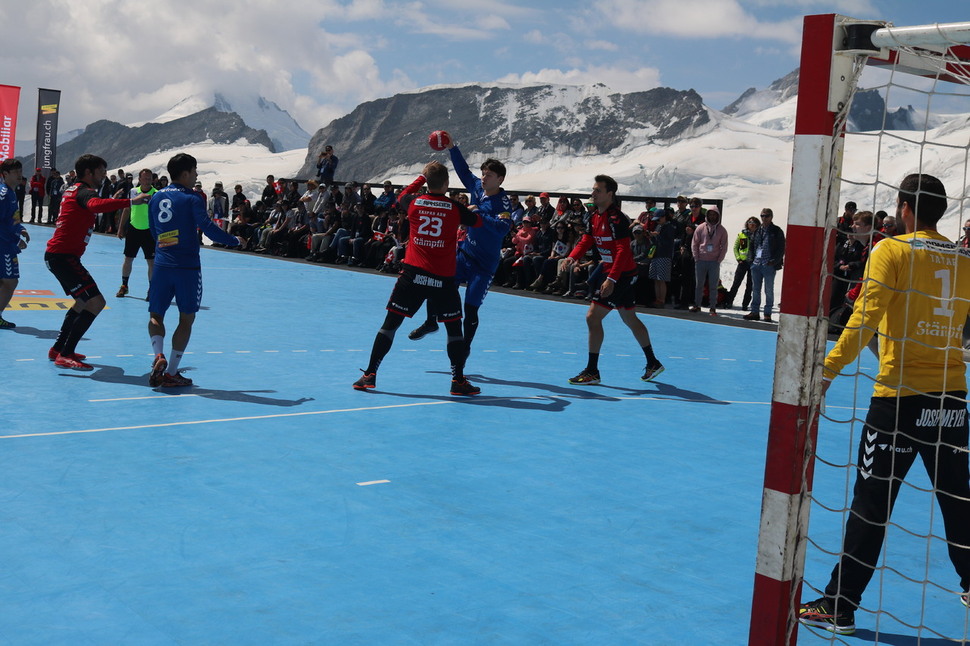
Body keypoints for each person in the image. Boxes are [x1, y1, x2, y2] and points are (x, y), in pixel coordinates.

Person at [798, 173, 970, 635]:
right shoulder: (963, 258)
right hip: (953, 401)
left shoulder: (890, 250)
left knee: (870, 506)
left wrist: (827, 371)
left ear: (905, 208)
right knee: (959, 503)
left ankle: (840, 605)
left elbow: (864, 319)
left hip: (899, 402)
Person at [352, 161, 483, 396]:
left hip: (412, 275)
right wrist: (473, 211)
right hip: (442, 278)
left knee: (390, 325)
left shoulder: (413, 203)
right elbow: (478, 222)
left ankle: (369, 374)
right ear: (446, 184)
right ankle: (458, 380)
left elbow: (402, 195)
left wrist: (421, 178)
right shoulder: (454, 207)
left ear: (427, 181)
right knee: (454, 330)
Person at [407, 133, 512, 350]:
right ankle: (430, 322)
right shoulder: (477, 188)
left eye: (489, 175)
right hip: (464, 254)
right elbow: (463, 171)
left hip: (484, 265)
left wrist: (479, 212)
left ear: (500, 180)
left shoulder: (503, 203)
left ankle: (465, 347)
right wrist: (452, 147)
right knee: (436, 284)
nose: (483, 178)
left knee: (470, 309)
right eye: (483, 174)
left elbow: (502, 229)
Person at [146, 153, 244, 388]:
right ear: (186, 173)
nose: (197, 175)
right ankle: (170, 372)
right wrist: (235, 240)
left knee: (156, 315)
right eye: (195, 171)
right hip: (187, 267)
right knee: (186, 319)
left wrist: (164, 247)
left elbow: (154, 231)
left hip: (161, 265)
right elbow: (208, 228)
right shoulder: (193, 198)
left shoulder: (156, 197)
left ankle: (157, 354)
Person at [45, 154, 150, 368]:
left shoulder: (73, 189)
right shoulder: (85, 192)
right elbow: (94, 205)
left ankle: (58, 349)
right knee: (97, 302)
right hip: (63, 257)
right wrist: (130, 201)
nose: (104, 176)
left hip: (60, 256)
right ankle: (65, 353)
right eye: (101, 172)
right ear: (89, 173)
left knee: (82, 301)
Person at [564, 175, 664, 385]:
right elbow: (587, 240)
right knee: (630, 319)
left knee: (592, 317)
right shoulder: (593, 216)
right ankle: (653, 362)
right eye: (593, 189)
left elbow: (622, 250)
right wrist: (572, 257)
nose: (593, 193)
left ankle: (592, 371)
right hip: (614, 273)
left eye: (598, 190)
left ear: (610, 194)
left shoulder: (617, 218)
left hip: (621, 275)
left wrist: (611, 278)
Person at [116, 168, 157, 299]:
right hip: (133, 229)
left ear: (152, 180)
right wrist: (121, 228)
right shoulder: (133, 192)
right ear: (139, 179)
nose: (147, 180)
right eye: (144, 178)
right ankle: (124, 286)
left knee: (151, 262)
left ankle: (152, 289)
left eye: (149, 178)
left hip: (149, 232)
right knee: (128, 259)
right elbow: (127, 210)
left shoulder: (156, 194)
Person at [0, 159, 29, 329]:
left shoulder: (10, 192)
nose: (20, 174)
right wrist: (16, 240)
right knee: (11, 282)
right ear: (5, 174)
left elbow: (11, 218)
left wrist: (21, 229)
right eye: (16, 172)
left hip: (6, 244)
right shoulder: (4, 194)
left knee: (4, 281)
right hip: (4, 246)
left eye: (20, 170)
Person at [744, 208, 785, 322]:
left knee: (768, 289)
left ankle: (767, 313)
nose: (764, 218)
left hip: (768, 264)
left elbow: (781, 248)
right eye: (762, 216)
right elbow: (752, 245)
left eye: (766, 216)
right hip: (756, 263)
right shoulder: (758, 231)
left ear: (771, 217)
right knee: (755, 289)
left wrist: (774, 261)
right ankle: (755, 311)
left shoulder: (776, 231)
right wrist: (751, 259)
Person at [690, 204, 728, 316]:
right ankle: (697, 305)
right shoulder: (701, 227)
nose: (712, 216)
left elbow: (724, 246)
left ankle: (712, 307)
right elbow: (695, 243)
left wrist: (719, 260)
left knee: (713, 285)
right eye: (710, 214)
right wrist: (696, 257)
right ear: (707, 215)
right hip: (701, 260)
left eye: (714, 215)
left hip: (714, 262)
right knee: (699, 284)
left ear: (718, 216)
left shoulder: (722, 230)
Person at [726, 216, 759, 310]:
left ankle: (745, 304)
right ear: (747, 224)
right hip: (743, 262)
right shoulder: (742, 234)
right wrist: (738, 258)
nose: (752, 225)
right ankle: (729, 301)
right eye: (750, 223)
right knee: (736, 283)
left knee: (750, 285)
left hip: (754, 263)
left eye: (754, 223)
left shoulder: (759, 235)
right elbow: (735, 248)